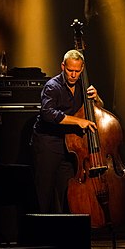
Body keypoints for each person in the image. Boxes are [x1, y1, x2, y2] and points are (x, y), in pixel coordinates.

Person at [30, 49, 104, 214]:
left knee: (68, 190)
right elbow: (48, 113)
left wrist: (97, 98)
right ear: (63, 66)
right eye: (70, 70)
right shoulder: (52, 86)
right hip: (47, 142)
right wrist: (78, 121)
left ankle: (65, 233)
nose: (73, 75)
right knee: (44, 191)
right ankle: (41, 235)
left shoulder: (83, 87)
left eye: (77, 71)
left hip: (70, 145)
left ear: (82, 69)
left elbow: (98, 112)